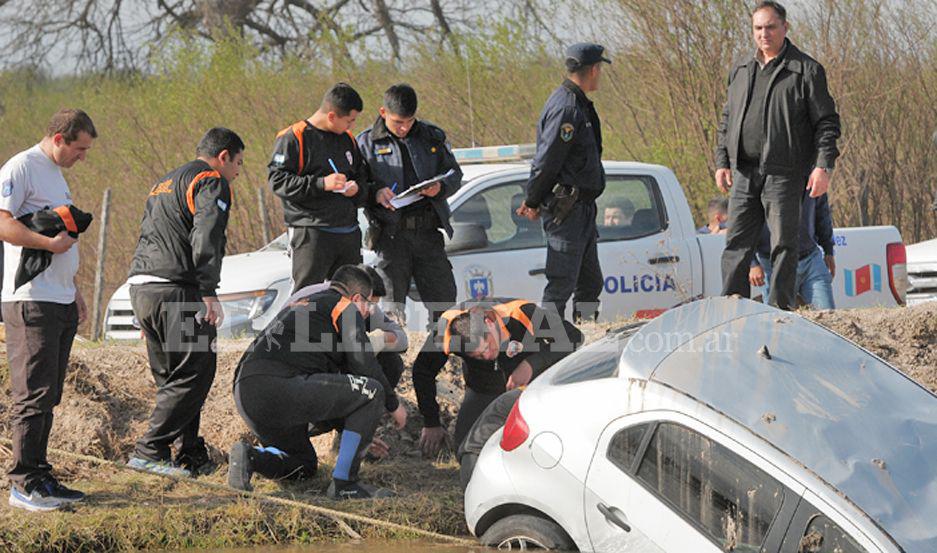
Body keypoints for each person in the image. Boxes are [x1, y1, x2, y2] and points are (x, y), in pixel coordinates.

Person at [228, 265, 407, 499]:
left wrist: (358, 433)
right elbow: (363, 364)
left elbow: (331, 392)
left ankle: (250, 457)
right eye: (368, 305)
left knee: (303, 465)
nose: (368, 313)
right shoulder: (344, 306)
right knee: (372, 391)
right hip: (281, 385)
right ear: (356, 298)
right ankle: (345, 484)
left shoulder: (299, 305)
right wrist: (394, 405)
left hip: (246, 392)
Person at [126, 127, 244, 477]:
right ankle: (150, 451)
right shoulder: (210, 180)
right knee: (195, 372)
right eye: (238, 163)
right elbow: (207, 235)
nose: (238, 172)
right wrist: (208, 289)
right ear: (223, 156)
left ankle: (188, 454)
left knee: (172, 378)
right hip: (177, 290)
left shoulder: (163, 182)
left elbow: (149, 235)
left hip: (143, 287)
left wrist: (144, 310)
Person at [0, 108, 96, 511]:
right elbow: (3, 222)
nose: (82, 157)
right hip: (31, 299)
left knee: (49, 393)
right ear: (59, 138)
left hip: (59, 297)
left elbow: (62, 235)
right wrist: (47, 245)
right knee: (32, 394)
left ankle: (41, 476)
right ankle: (23, 484)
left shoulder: (56, 175)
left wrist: (74, 288)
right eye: (79, 149)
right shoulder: (22, 167)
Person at [715, 1, 841, 310]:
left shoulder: (806, 70)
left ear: (785, 27)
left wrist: (823, 166)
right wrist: (722, 161)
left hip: (785, 172)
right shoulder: (741, 70)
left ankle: (780, 311)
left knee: (784, 244)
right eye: (758, 28)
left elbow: (827, 123)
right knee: (736, 244)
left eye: (771, 27)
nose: (764, 34)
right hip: (744, 172)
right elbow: (727, 119)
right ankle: (733, 309)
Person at [413, 298, 582, 456]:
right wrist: (431, 422)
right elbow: (422, 371)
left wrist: (531, 364)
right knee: (465, 450)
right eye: (478, 356)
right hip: (483, 388)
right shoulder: (446, 331)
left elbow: (574, 336)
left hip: (531, 386)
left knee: (540, 445)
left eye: (487, 347)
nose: (487, 356)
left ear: (489, 323)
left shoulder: (520, 312)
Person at [516, 43, 610, 322]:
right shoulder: (567, 108)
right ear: (593, 70)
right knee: (560, 285)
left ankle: (587, 333)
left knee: (590, 283)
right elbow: (547, 161)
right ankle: (547, 342)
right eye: (600, 69)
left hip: (582, 209)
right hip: (566, 210)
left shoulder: (577, 103)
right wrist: (532, 200)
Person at [357, 84, 462, 323]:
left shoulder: (431, 136)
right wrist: (375, 193)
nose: (404, 128)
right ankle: (394, 347)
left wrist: (440, 187)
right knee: (391, 312)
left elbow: (454, 174)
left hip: (427, 234)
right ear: (383, 112)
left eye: (409, 121)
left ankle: (442, 347)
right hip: (390, 236)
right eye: (398, 122)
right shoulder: (365, 144)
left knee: (445, 307)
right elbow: (356, 188)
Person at [269, 83, 369, 292]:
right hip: (311, 232)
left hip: (347, 231)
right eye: (349, 121)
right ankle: (305, 316)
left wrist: (356, 189)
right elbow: (278, 181)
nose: (351, 126)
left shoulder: (348, 139)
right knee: (307, 296)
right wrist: (322, 183)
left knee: (349, 296)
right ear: (332, 116)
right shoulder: (294, 137)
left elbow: (362, 177)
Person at [749, 193, 835, 309]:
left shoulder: (813, 181)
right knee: (778, 316)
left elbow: (822, 214)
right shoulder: (760, 184)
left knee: (827, 313)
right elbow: (745, 222)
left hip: (810, 259)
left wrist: (828, 249)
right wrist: (752, 263)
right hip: (773, 264)